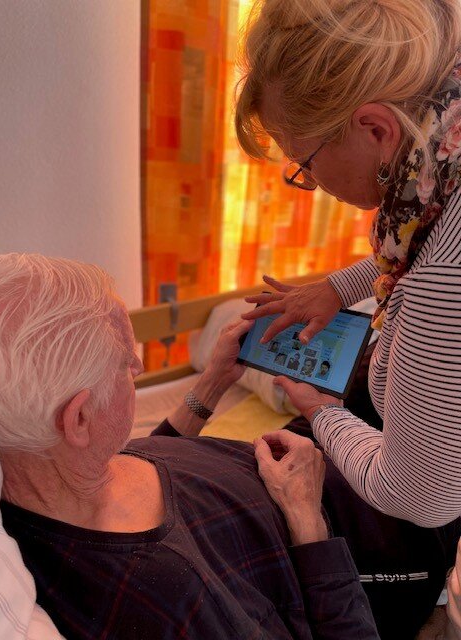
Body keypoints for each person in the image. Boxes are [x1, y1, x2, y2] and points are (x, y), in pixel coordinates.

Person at [0, 253, 379, 640]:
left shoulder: (50, 471)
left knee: (370, 364)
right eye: (125, 363)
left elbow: (148, 456)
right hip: (355, 517)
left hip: (292, 461)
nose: (138, 367)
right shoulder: (167, 601)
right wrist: (307, 518)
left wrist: (213, 382)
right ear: (80, 419)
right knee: (388, 376)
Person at [235, 0, 461, 530]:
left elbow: (418, 497)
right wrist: (338, 287)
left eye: (304, 164)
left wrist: (320, 411)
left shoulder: (441, 282)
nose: (311, 184)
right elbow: (417, 247)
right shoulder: (441, 170)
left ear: (376, 129)